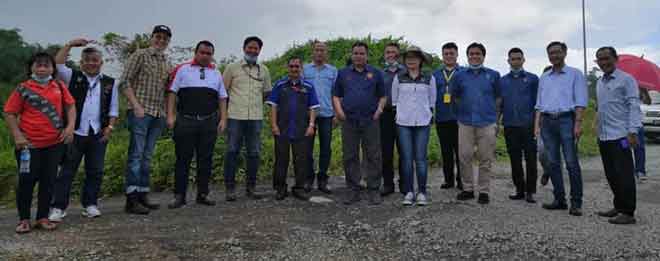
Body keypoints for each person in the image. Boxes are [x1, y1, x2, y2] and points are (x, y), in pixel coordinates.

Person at [4, 52, 76, 233]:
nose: (42, 69)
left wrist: (70, 128)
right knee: (26, 182)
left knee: (49, 181)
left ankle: (43, 217)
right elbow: (9, 112)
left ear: (53, 68)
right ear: (31, 68)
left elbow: (70, 105)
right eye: (38, 65)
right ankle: (24, 219)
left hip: (54, 144)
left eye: (47, 65)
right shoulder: (23, 88)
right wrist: (17, 135)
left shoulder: (59, 86)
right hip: (29, 146)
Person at [49, 39, 119, 221]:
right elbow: (57, 64)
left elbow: (113, 108)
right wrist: (70, 45)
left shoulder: (110, 83)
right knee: (66, 171)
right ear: (81, 63)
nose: (91, 63)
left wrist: (109, 127)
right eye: (87, 60)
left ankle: (90, 204)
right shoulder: (73, 77)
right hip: (74, 132)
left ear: (101, 63)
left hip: (98, 133)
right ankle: (58, 207)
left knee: (95, 171)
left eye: (95, 60)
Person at [166, 40, 228, 209]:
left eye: (209, 53)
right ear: (196, 52)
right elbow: (172, 93)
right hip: (186, 120)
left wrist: (223, 119)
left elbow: (222, 97)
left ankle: (203, 194)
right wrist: (171, 116)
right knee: (182, 159)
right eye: (202, 52)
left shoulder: (216, 72)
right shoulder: (183, 69)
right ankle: (179, 196)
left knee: (205, 159)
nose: (205, 56)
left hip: (209, 122)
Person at [120, 25, 173, 215]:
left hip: (157, 114)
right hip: (140, 112)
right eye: (158, 37)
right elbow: (124, 81)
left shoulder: (167, 62)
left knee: (147, 156)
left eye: (165, 39)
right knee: (136, 154)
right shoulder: (140, 55)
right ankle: (131, 199)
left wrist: (168, 113)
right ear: (152, 38)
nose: (161, 41)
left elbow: (168, 91)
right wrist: (136, 106)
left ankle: (143, 194)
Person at [535, 41, 588, 217]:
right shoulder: (545, 77)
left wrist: (578, 123)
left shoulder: (575, 74)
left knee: (572, 163)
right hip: (547, 122)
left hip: (567, 120)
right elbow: (539, 104)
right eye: (551, 53)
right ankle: (559, 199)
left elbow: (581, 101)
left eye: (557, 52)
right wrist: (537, 125)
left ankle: (576, 202)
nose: (554, 56)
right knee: (553, 163)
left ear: (564, 53)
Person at [333, 41, 386, 205]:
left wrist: (379, 110)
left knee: (373, 155)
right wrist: (339, 111)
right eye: (355, 53)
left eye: (362, 53)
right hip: (349, 120)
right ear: (351, 54)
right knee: (350, 155)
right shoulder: (343, 74)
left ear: (367, 55)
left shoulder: (375, 73)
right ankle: (353, 189)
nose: (358, 56)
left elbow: (383, 96)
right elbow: (335, 95)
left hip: (370, 120)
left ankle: (374, 189)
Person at [594, 46, 641, 225]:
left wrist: (632, 131)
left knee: (625, 174)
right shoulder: (600, 82)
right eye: (600, 59)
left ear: (616, 59)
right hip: (604, 136)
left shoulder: (626, 80)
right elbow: (602, 108)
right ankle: (619, 206)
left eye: (607, 58)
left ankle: (628, 212)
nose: (604, 62)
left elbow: (633, 106)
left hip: (621, 136)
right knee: (611, 174)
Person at [222, 36, 272, 201]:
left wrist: (255, 106)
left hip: (255, 118)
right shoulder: (232, 68)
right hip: (235, 116)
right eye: (249, 47)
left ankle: (251, 188)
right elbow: (223, 92)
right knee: (232, 151)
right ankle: (230, 189)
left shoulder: (264, 70)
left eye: (255, 48)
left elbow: (266, 93)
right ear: (244, 48)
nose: (252, 50)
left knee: (254, 153)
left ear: (259, 50)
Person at [452, 43, 501, 204]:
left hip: (487, 122)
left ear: (483, 56)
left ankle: (484, 191)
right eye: (471, 54)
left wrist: (496, 119)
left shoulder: (493, 75)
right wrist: (460, 114)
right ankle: (467, 189)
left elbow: (498, 98)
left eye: (477, 54)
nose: (474, 56)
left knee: (485, 158)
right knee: (464, 156)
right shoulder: (459, 76)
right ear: (467, 56)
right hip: (465, 122)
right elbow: (455, 97)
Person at [268, 57, 320, 201]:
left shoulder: (308, 86)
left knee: (301, 160)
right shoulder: (280, 85)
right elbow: (273, 106)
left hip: (302, 129)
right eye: (291, 66)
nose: (294, 69)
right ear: (287, 67)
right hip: (282, 129)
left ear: (301, 68)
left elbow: (313, 107)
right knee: (281, 160)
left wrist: (311, 125)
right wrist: (274, 125)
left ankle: (299, 188)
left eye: (297, 66)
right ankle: (280, 188)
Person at [391, 46, 436, 206]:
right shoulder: (399, 77)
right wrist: (401, 113)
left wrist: (428, 115)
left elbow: (432, 100)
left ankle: (422, 192)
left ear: (421, 60)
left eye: (415, 57)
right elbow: (394, 100)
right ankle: (409, 192)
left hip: (423, 123)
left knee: (421, 159)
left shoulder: (429, 78)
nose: (411, 60)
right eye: (408, 57)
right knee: (407, 159)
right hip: (403, 123)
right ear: (404, 60)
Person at [498, 48, 539, 203]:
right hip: (510, 125)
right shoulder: (502, 81)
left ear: (523, 60)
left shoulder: (533, 79)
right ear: (508, 61)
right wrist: (497, 122)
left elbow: (538, 104)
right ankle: (519, 189)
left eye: (518, 58)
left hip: (528, 125)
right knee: (514, 159)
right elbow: (499, 104)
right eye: (512, 59)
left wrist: (537, 124)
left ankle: (530, 191)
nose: (515, 61)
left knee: (531, 159)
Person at [303, 41, 337, 194]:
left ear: (326, 53)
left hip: (327, 114)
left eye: (322, 50)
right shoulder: (305, 69)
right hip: (308, 115)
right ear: (312, 52)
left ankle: (322, 179)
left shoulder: (332, 71)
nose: (319, 53)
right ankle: (308, 178)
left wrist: (337, 113)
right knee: (307, 148)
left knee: (326, 148)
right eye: (317, 50)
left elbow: (336, 94)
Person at [432, 42, 463, 190]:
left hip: (460, 118)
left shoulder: (464, 72)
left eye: (452, 53)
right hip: (442, 118)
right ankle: (448, 180)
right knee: (446, 152)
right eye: (446, 54)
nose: (449, 56)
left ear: (457, 55)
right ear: (442, 55)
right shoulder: (435, 74)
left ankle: (462, 180)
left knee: (461, 152)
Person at [380, 42, 406, 196]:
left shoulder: (405, 72)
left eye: (394, 52)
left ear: (399, 55)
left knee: (404, 150)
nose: (391, 55)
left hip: (403, 114)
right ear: (385, 55)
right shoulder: (379, 73)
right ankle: (388, 184)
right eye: (388, 52)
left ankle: (404, 183)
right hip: (385, 114)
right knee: (386, 150)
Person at [635, 88, 650, 181]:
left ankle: (640, 171)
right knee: (624, 148)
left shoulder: (641, 88)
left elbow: (648, 102)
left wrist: (644, 92)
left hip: (638, 125)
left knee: (639, 148)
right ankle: (625, 172)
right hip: (624, 126)